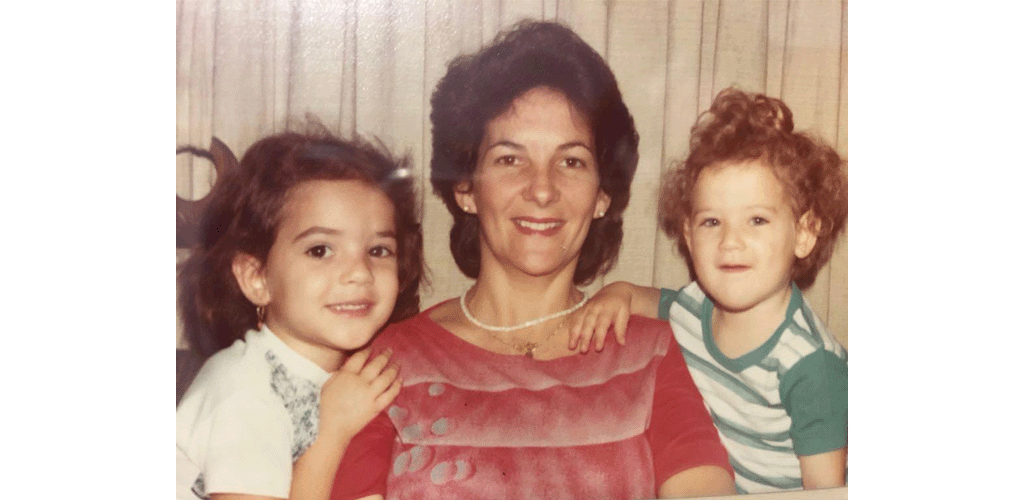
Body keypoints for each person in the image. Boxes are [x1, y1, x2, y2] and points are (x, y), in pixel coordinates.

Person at [329, 21, 735, 500]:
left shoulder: (650, 353)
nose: (542, 189)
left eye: (571, 161)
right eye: (509, 159)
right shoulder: (386, 365)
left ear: (602, 195)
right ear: (466, 188)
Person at [570, 87, 849, 493]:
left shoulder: (810, 366)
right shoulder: (694, 307)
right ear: (688, 234)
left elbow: (828, 492)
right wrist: (617, 292)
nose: (730, 242)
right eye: (712, 223)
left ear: (804, 234)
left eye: (756, 220)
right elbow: (644, 300)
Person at [176, 128, 425, 500]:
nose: (359, 271)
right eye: (321, 250)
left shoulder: (339, 378)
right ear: (257, 278)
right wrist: (330, 433)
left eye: (378, 250)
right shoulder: (245, 390)